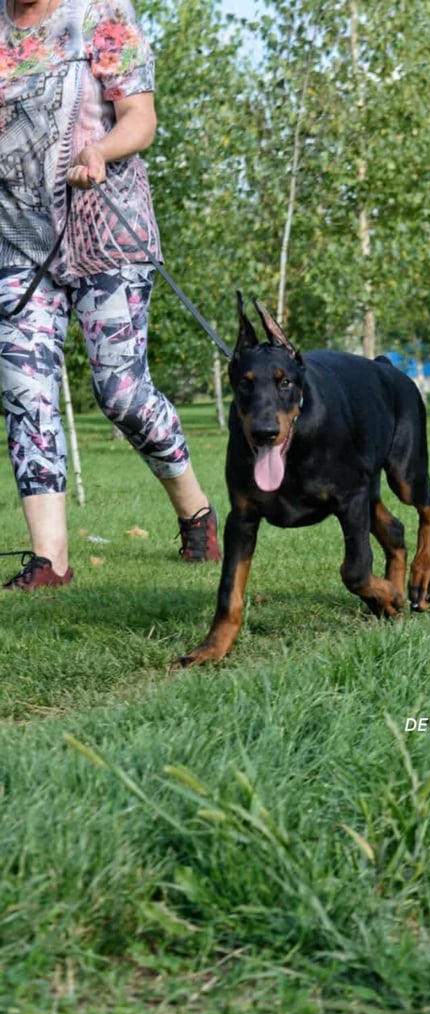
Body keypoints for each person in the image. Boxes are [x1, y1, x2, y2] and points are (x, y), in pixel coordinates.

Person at [0, 0, 220, 590]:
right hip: (19, 240)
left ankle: (195, 511)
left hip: (106, 231)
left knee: (122, 393)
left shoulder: (100, 13)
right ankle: (50, 562)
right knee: (26, 392)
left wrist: (100, 149)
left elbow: (140, 119)